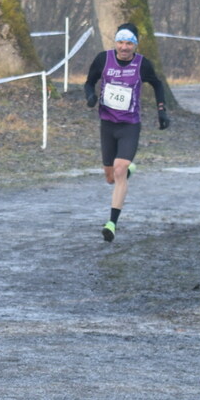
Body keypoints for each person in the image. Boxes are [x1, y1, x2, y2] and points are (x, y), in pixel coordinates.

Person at [84, 22, 168, 242]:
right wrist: (90, 96)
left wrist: (161, 111)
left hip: (130, 125)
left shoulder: (142, 64)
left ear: (135, 45)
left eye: (129, 43)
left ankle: (111, 224)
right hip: (107, 125)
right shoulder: (103, 59)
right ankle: (126, 171)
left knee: (119, 170)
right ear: (115, 42)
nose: (124, 47)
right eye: (120, 42)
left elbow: (158, 85)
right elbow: (89, 82)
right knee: (110, 177)